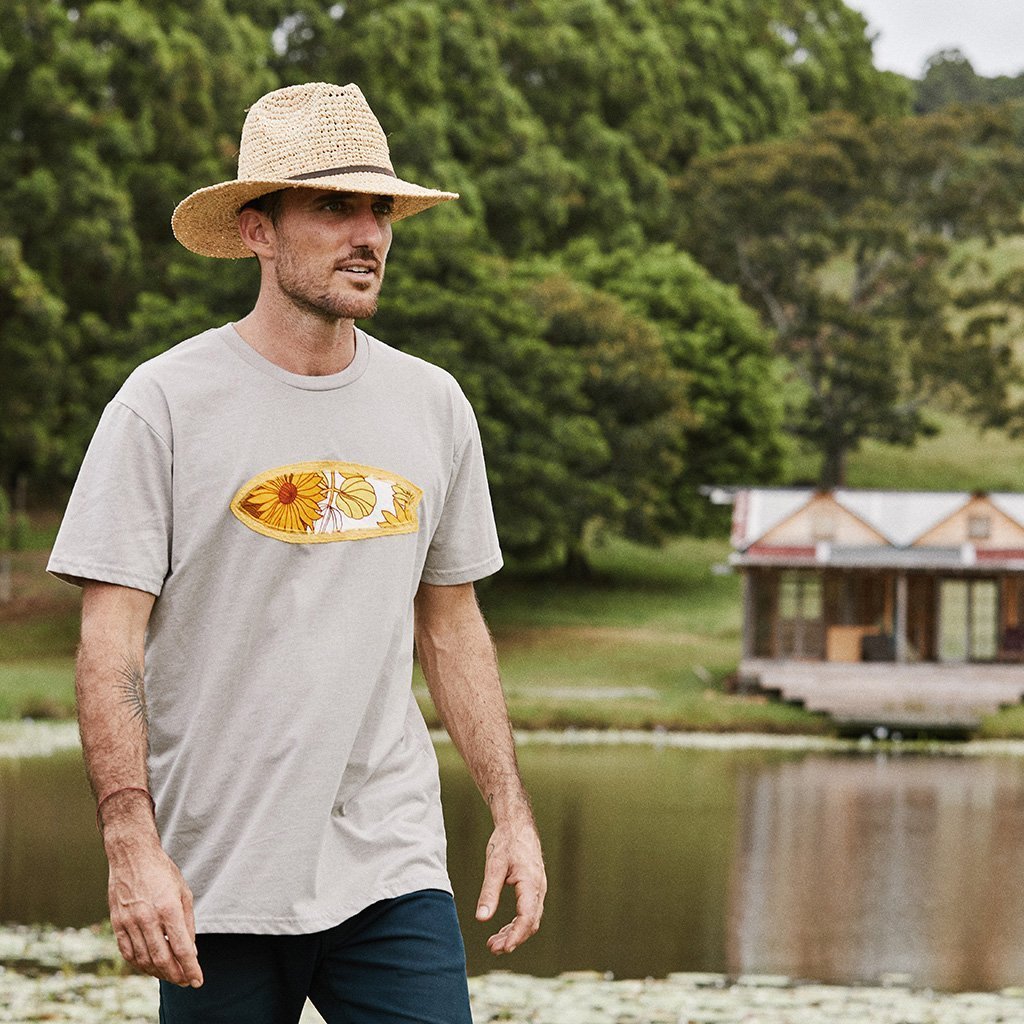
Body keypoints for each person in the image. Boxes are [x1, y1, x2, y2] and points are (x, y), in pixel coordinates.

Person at [47, 81, 546, 1024]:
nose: (368, 233)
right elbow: (108, 646)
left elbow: (452, 626)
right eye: (331, 206)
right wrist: (129, 844)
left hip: (390, 864)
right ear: (257, 230)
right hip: (216, 873)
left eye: (380, 208)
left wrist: (511, 814)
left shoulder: (433, 406)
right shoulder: (161, 406)